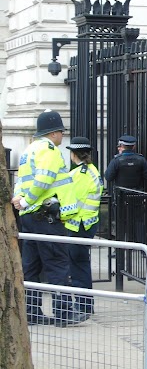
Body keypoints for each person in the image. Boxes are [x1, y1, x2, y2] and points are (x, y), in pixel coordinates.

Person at [11, 109, 88, 326]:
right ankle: (64, 313)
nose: (62, 136)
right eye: (61, 132)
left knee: (32, 267)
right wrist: (27, 200)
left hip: (29, 218)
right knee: (57, 264)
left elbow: (22, 179)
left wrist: (21, 200)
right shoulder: (50, 150)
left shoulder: (29, 150)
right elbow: (44, 179)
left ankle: (33, 313)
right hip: (46, 217)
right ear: (53, 133)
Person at [66, 136, 104, 315]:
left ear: (74, 154)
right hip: (87, 224)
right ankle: (86, 304)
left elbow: (74, 202)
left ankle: (83, 305)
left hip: (77, 225)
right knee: (81, 263)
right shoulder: (92, 171)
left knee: (78, 265)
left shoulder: (78, 175)